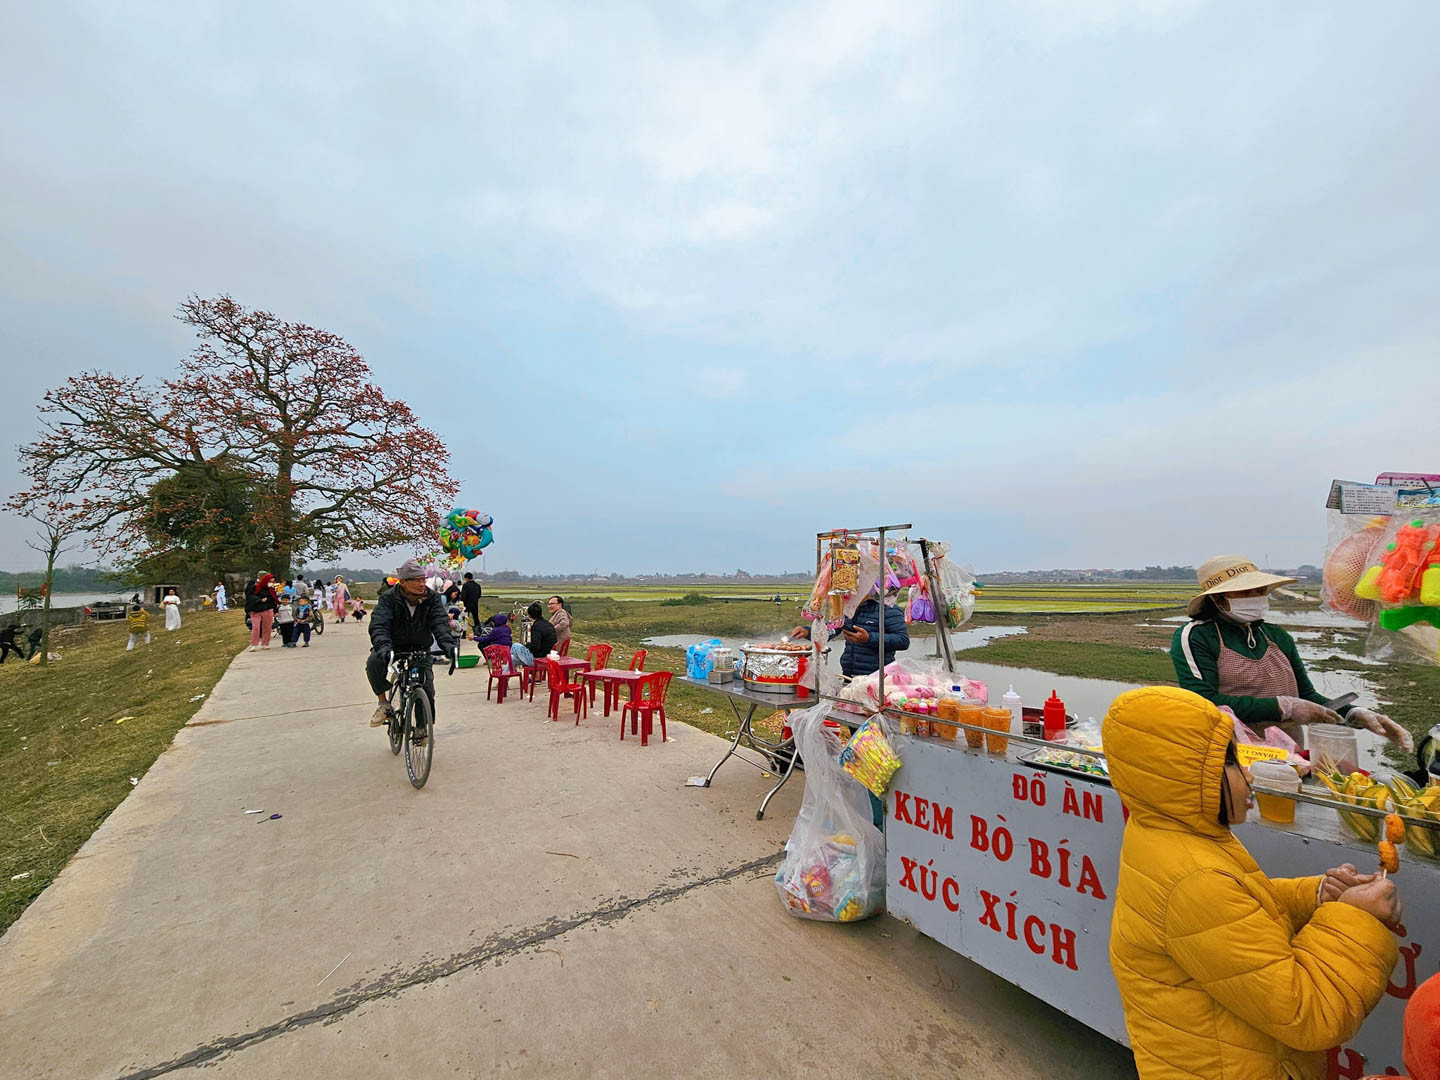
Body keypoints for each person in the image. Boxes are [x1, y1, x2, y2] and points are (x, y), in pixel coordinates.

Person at [1104, 685, 1399, 1080]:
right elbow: (1309, 1014)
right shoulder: (1194, 879)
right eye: (1228, 762)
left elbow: (1237, 909)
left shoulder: (1167, 831)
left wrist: (1315, 894)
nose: (1248, 775)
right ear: (1180, 777)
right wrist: (1354, 920)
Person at [1172, 554, 1413, 751]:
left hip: (1289, 753)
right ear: (1217, 599)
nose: (1256, 598)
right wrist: (1283, 707)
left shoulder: (1277, 637)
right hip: (1229, 753)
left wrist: (1354, 713)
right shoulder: (1197, 637)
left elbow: (1306, 695)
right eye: (1245, 592)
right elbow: (1206, 703)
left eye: (1260, 591)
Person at [366, 558, 456, 736]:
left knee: (427, 688)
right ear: (403, 582)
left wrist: (448, 646)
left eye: (423, 579)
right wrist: (384, 647)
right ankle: (383, 704)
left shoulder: (432, 598)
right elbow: (379, 625)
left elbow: (440, 623)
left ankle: (422, 727)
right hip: (393, 645)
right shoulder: (388, 598)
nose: (422, 584)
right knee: (374, 662)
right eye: (416, 580)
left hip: (420, 646)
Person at [789, 588, 910, 678]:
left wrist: (868, 638)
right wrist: (808, 632)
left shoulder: (887, 609)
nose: (848, 595)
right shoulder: (847, 610)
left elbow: (903, 641)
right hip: (849, 675)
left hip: (877, 677)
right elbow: (831, 630)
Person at [513, 600, 555, 669]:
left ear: (529, 615)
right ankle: (504, 678)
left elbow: (535, 647)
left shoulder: (536, 627)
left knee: (515, 646)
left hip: (538, 659)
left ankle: (525, 666)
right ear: (541, 614)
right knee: (512, 658)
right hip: (548, 656)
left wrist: (527, 646)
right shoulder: (549, 624)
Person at [246, 573, 279, 650]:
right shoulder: (255, 588)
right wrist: (259, 600)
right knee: (256, 627)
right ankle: (254, 644)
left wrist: (275, 611)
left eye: (273, 582)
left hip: (268, 609)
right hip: (256, 610)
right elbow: (249, 597)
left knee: (267, 627)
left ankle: (265, 643)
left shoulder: (271, 590)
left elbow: (274, 600)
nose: (271, 583)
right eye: (270, 581)